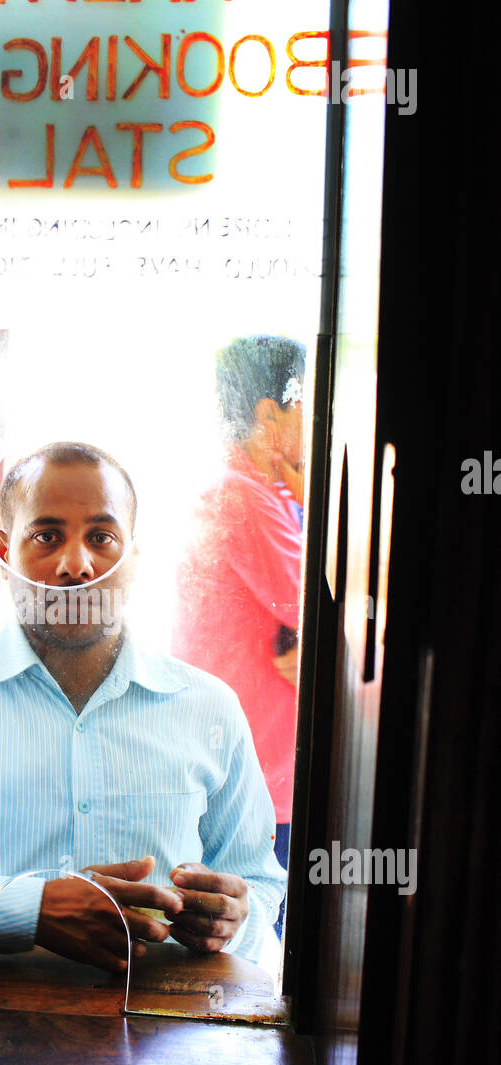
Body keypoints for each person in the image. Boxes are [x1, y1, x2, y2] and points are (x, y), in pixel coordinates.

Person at [0, 441, 286, 970]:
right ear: (4, 553)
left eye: (101, 537)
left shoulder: (210, 707)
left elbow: (259, 887)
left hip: (163, 1037)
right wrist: (24, 912)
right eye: (47, 536)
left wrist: (231, 921)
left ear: (134, 557)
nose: (76, 566)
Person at [171, 338, 305, 932]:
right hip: (255, 779)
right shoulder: (243, 493)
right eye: (308, 405)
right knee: (259, 944)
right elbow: (328, 606)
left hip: (265, 770)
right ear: (268, 415)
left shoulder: (266, 491)